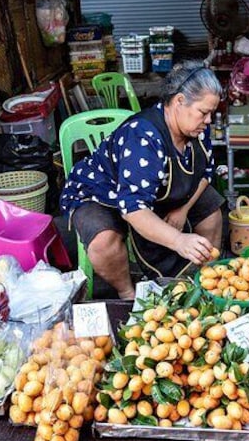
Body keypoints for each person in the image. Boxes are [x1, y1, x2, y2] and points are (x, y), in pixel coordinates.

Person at [60, 61, 225, 299]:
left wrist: (183, 208)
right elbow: (133, 208)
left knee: (211, 210)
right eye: (203, 112)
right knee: (103, 240)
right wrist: (178, 240)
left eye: (211, 113)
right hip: (101, 192)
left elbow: (206, 172)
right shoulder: (143, 137)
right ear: (179, 101)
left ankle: (203, 280)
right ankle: (128, 295)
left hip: (157, 189)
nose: (208, 120)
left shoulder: (197, 129)